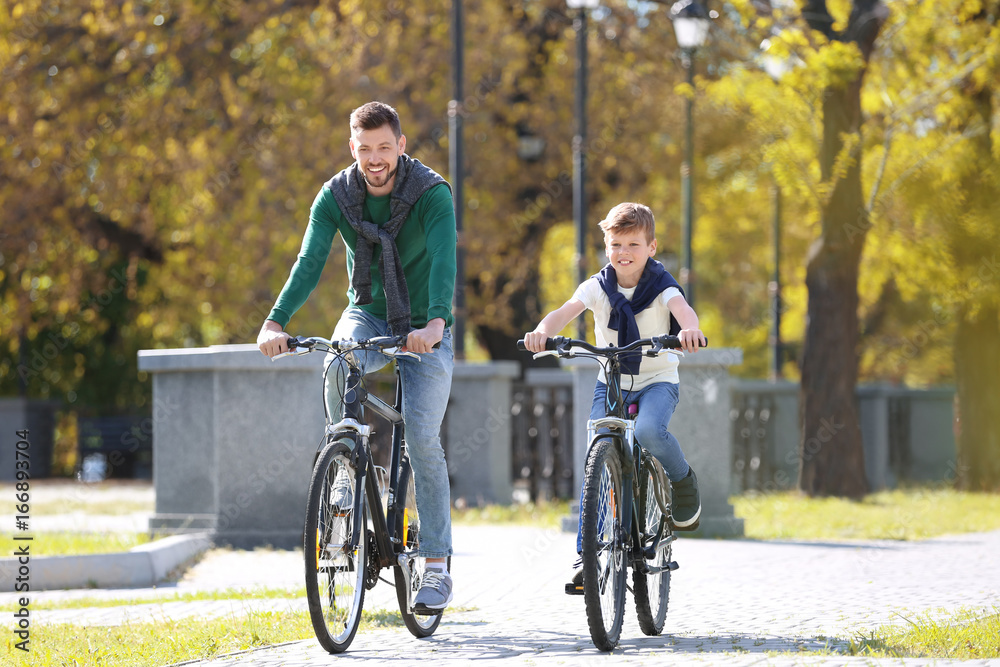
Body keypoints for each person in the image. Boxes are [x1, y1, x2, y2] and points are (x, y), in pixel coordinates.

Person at [257, 101, 456, 612]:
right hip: (367, 314)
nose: (374, 158)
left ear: (401, 146)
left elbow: (442, 260)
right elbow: (310, 260)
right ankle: (345, 470)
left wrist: (435, 322)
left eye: (384, 148)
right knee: (336, 358)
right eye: (364, 148)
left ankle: (435, 567)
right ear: (352, 148)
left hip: (424, 327)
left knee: (422, 436)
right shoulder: (336, 196)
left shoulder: (432, 193)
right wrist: (275, 320)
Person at [522, 202, 705, 586]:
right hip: (613, 380)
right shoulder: (597, 286)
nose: (624, 253)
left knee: (648, 432)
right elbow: (566, 310)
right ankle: (588, 557)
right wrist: (542, 330)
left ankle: (682, 478)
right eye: (616, 244)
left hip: (657, 380)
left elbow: (682, 309)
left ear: (651, 248)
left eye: (634, 245)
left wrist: (689, 329)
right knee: (597, 455)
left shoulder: (662, 285)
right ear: (606, 246)